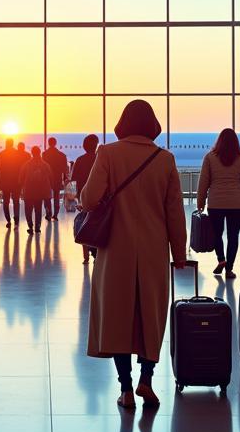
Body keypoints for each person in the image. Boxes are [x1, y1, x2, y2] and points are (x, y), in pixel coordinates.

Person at [82, 100, 187, 409]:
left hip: (115, 250)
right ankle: (147, 381)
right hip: (154, 250)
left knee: (118, 318)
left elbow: (89, 200)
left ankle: (125, 389)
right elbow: (175, 213)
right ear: (152, 124)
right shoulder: (165, 160)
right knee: (149, 316)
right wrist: (178, 253)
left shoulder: (108, 154)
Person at [197, 128, 240, 279]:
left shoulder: (210, 157)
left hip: (216, 203)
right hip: (236, 204)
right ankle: (229, 269)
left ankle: (221, 259)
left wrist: (200, 202)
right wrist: (239, 184)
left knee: (217, 234)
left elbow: (203, 182)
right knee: (233, 236)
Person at [71, 134, 100, 263]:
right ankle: (96, 251)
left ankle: (86, 256)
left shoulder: (80, 160)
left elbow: (74, 180)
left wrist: (75, 198)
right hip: (100, 198)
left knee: (83, 224)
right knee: (97, 224)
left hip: (83, 198)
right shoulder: (100, 159)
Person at [21, 146, 54, 235]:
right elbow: (51, 177)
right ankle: (37, 227)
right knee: (38, 210)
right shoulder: (45, 165)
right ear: (39, 153)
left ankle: (30, 226)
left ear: (32, 153)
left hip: (29, 191)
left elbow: (21, 177)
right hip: (40, 191)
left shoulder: (26, 164)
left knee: (28, 210)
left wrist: (21, 187)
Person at [0, 138, 23, 229]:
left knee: (6, 202)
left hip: (5, 181)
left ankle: (8, 221)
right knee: (16, 201)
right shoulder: (18, 154)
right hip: (16, 182)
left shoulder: (1, 154)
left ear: (6, 144)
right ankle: (16, 221)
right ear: (13, 143)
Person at [42, 137, 69, 221]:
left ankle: (48, 213)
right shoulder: (61, 155)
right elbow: (64, 168)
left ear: (49, 143)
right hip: (57, 177)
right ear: (55, 143)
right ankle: (55, 214)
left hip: (47, 178)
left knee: (47, 196)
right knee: (56, 196)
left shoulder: (45, 154)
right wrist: (64, 177)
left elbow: (42, 167)